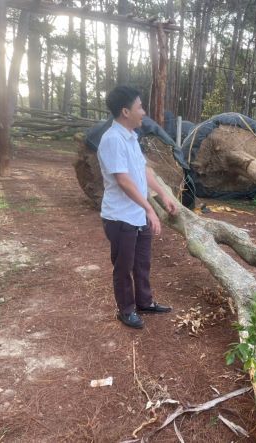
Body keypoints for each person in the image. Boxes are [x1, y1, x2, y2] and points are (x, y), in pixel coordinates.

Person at [98, 86, 179, 329]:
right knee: (123, 267)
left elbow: (144, 171)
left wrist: (163, 195)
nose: (143, 112)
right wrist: (150, 209)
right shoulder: (112, 140)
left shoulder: (131, 137)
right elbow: (123, 181)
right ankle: (126, 310)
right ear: (125, 111)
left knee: (142, 262)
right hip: (120, 217)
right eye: (139, 107)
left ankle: (144, 302)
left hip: (137, 213)